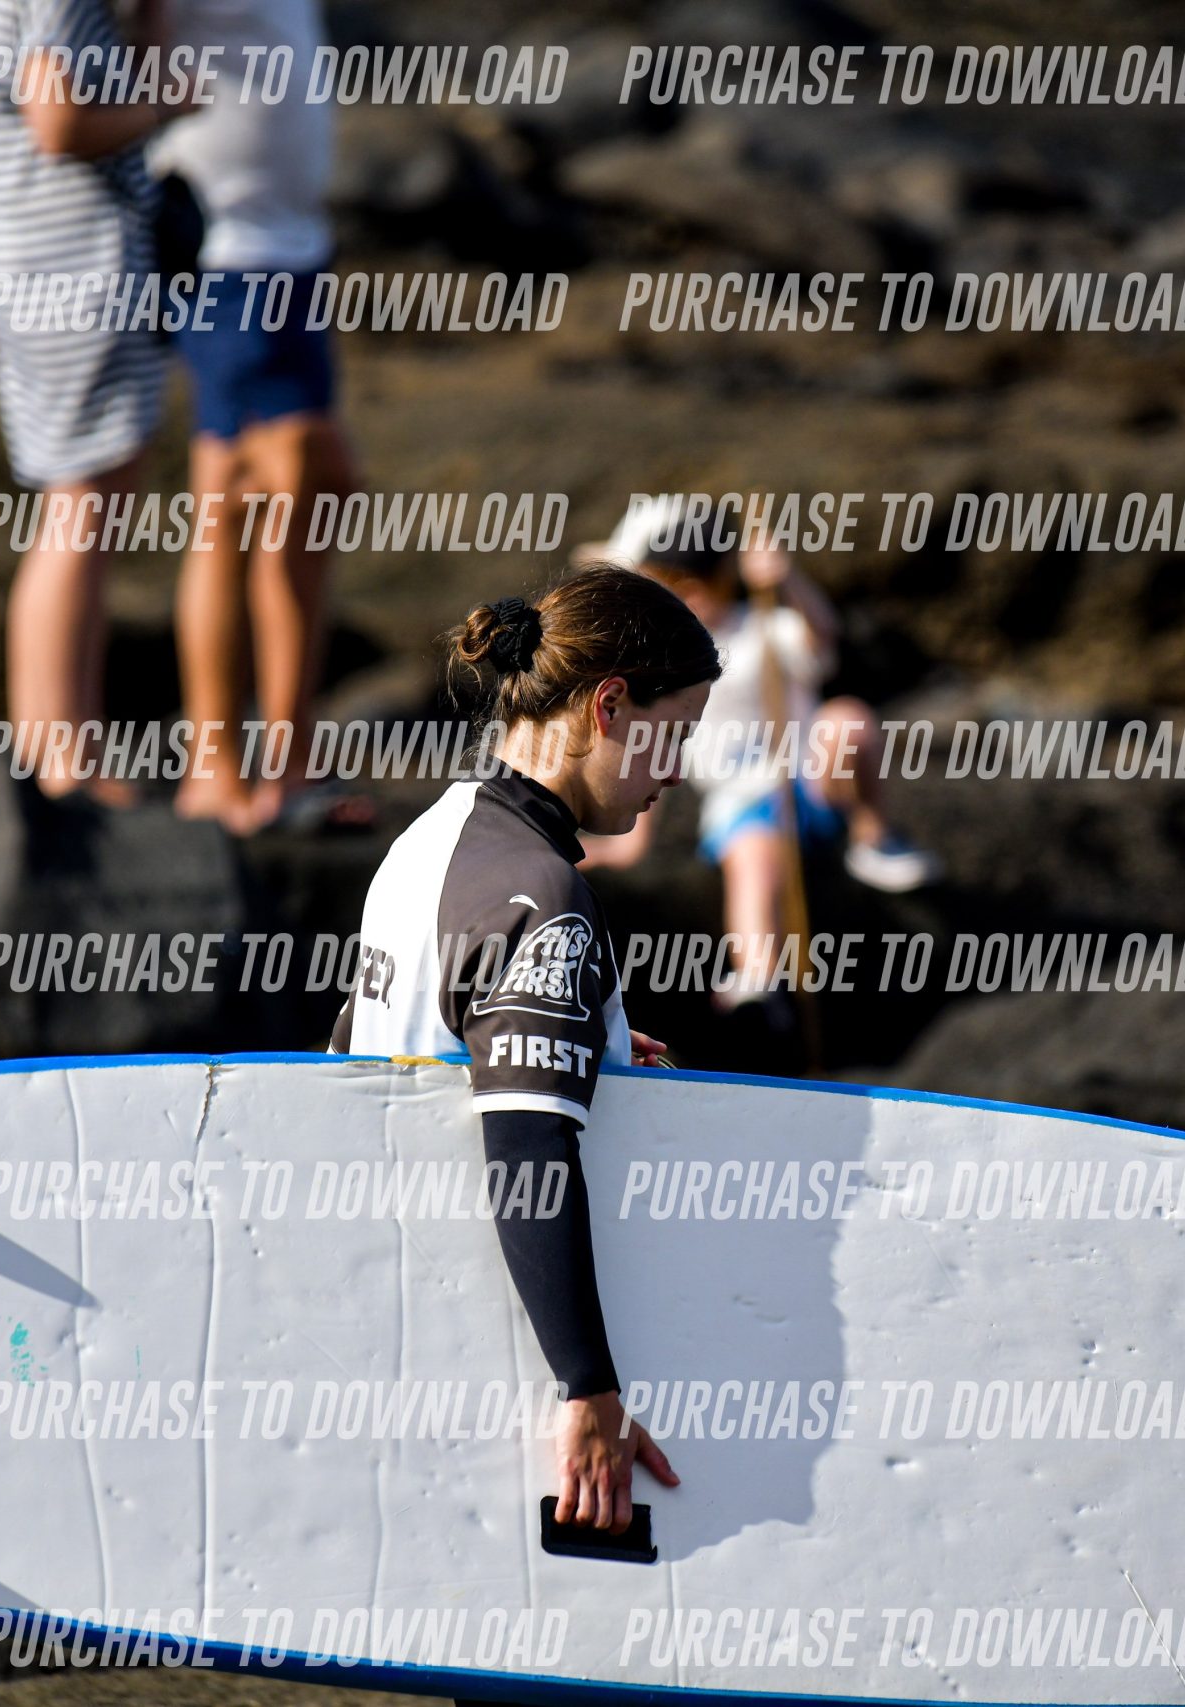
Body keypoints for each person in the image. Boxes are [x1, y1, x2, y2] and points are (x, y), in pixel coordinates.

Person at [327, 566, 720, 1536]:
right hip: (515, 1378)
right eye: (676, 734)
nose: (676, 772)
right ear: (609, 704)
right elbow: (526, 1156)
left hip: (397, 1336)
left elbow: (354, 1056)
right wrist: (589, 1389)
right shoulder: (539, 889)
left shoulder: (428, 842)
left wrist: (589, 1043)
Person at [579, 496, 941, 1022]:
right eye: (671, 584)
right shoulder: (666, 661)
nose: (688, 594)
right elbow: (656, 746)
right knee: (755, 861)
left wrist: (786, 579)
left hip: (808, 780)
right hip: (742, 799)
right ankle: (759, 976)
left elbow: (822, 639)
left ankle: (873, 838)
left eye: (699, 583)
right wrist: (631, 841)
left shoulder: (765, 626)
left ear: (725, 579)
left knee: (848, 720)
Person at [0, 0, 183, 801]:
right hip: (72, 265)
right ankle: (64, 760)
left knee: (79, 503)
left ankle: (62, 743)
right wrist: (165, 105)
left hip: (24, 255)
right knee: (82, 507)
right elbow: (57, 122)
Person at [149, 0, 361, 834]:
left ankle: (262, 763)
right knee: (281, 484)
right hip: (222, 247)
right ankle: (235, 764)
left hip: (293, 246)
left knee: (265, 499)